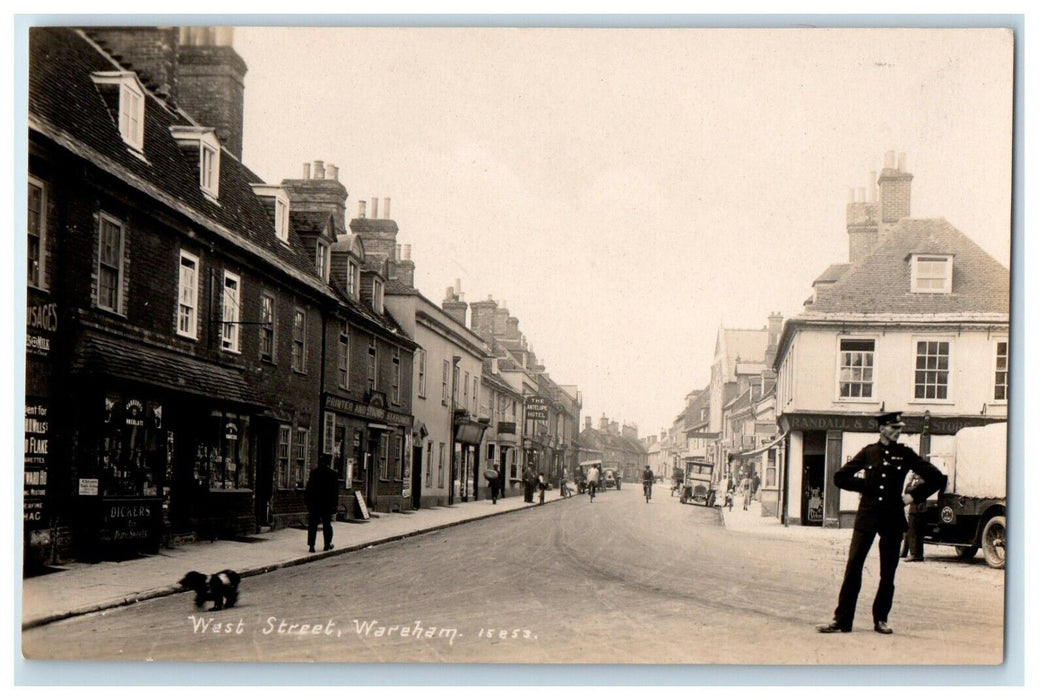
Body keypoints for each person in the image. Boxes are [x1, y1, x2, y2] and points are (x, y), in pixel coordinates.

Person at [817, 411, 945, 635]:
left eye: (900, 428)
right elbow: (840, 477)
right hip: (867, 517)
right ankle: (842, 620)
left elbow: (936, 477)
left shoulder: (905, 454)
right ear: (882, 429)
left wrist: (911, 497)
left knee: (888, 572)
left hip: (892, 518)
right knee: (853, 567)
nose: (898, 432)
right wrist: (866, 487)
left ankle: (881, 619)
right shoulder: (869, 452)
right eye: (894, 428)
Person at [305, 456, 339, 553]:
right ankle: (327, 544)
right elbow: (335, 492)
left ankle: (312, 546)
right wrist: (335, 506)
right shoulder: (333, 474)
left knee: (312, 525)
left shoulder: (314, 473)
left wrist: (308, 502)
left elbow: (309, 489)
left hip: (314, 503)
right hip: (327, 504)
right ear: (329, 463)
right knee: (327, 524)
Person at [901, 471, 927, 561]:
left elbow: (910, 490)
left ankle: (914, 554)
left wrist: (911, 485)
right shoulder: (915, 482)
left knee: (914, 533)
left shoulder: (921, 482)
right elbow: (906, 490)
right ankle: (918, 554)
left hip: (918, 510)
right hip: (915, 510)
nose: (914, 474)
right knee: (916, 533)